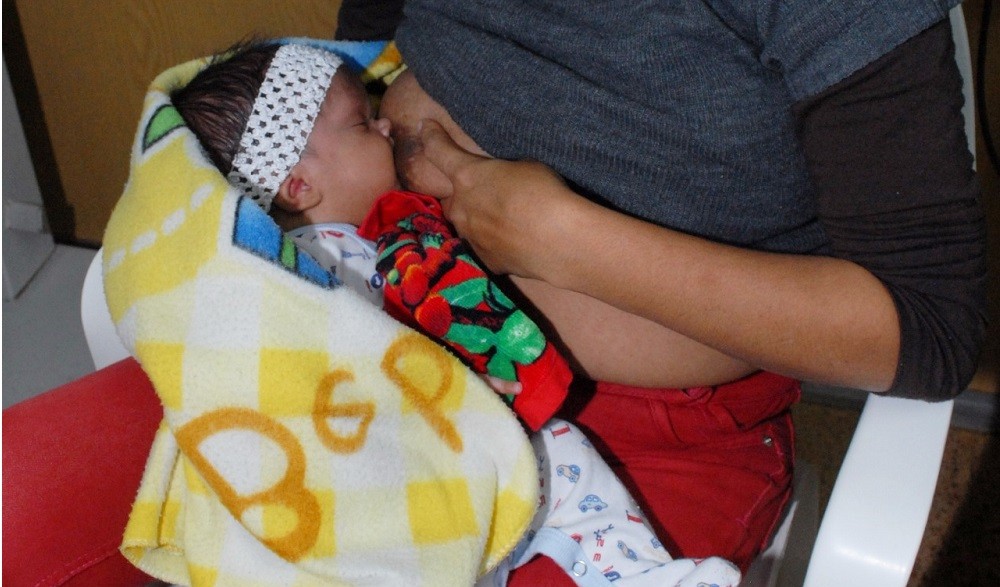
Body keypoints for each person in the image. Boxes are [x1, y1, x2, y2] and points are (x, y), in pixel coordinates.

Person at [344, 0, 987, 583]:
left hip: (634, 434)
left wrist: (564, 239)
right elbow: (360, 49)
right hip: (378, 318)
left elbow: (928, 330)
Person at [172, 40, 742, 586]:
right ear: (298, 186)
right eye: (362, 124)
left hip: (436, 475)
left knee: (535, 483)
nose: (385, 127)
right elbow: (348, 367)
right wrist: (454, 388)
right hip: (401, 469)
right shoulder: (320, 262)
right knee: (562, 459)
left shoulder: (364, 239)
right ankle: (643, 573)